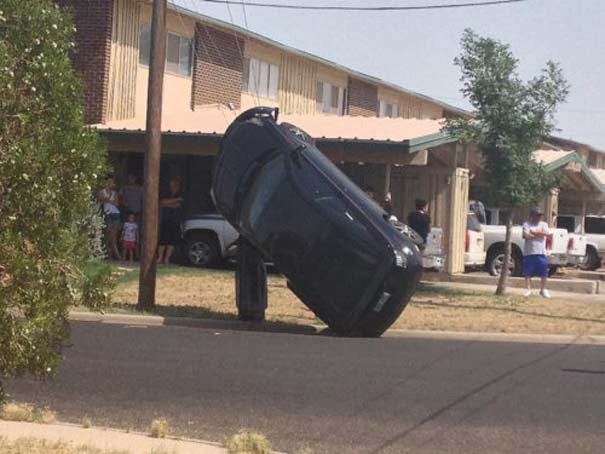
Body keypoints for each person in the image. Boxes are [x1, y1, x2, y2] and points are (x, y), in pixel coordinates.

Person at [522, 207, 551, 298]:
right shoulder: (527, 224)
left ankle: (543, 290)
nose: (538, 217)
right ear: (532, 216)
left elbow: (546, 233)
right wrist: (538, 234)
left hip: (541, 252)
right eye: (537, 215)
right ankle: (528, 289)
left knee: (543, 272)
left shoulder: (544, 224)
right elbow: (526, 235)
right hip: (529, 252)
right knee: (527, 272)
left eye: (540, 215)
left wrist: (535, 232)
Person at [158, 177, 184, 265]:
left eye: (176, 182)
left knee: (172, 241)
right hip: (165, 219)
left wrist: (168, 203)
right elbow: (162, 202)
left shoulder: (181, 192)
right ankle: (160, 258)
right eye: (173, 182)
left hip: (176, 220)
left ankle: (167, 259)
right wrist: (176, 200)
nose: (174, 184)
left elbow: (178, 205)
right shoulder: (166, 192)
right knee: (163, 239)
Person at [98, 177, 121, 260]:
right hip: (107, 213)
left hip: (115, 213)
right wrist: (107, 200)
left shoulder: (115, 193)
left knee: (114, 235)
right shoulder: (102, 192)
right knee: (108, 232)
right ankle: (112, 253)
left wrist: (107, 200)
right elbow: (100, 201)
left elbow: (117, 203)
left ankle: (114, 253)